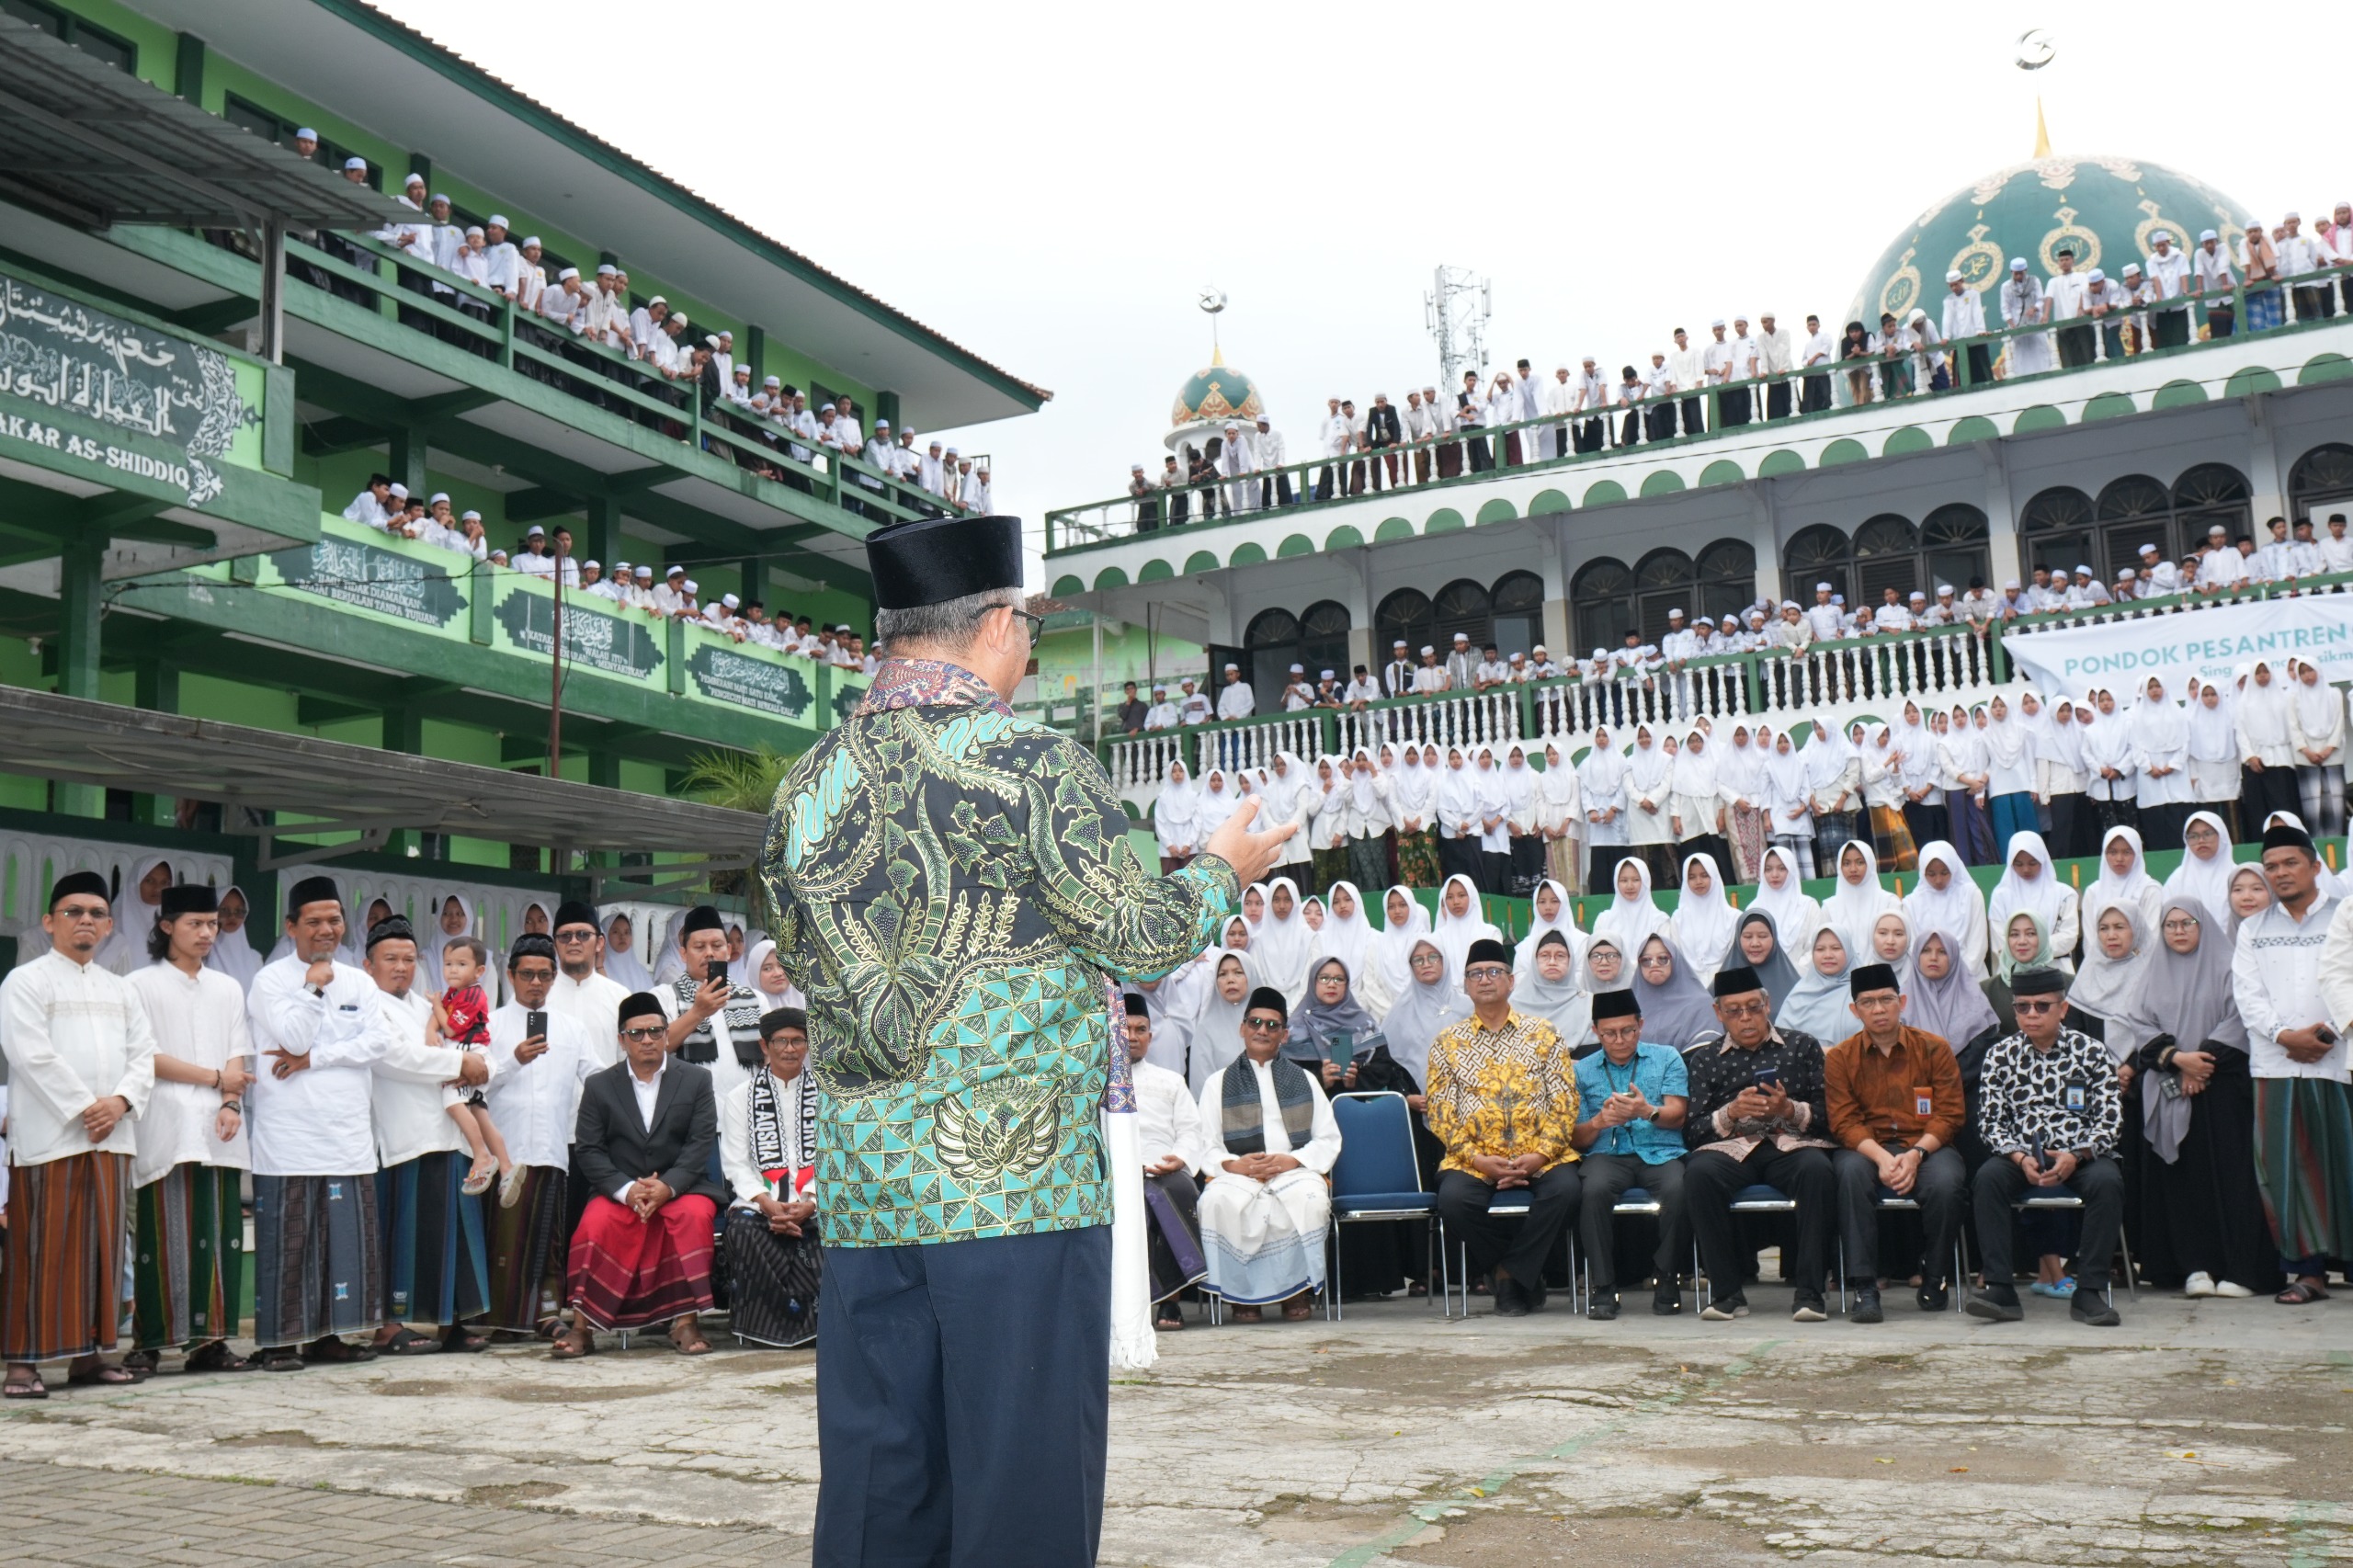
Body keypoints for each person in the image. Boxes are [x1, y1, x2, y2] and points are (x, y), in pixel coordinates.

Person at [762, 514, 1290, 1566]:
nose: (1032, 651)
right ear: (997, 623)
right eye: (1030, 630)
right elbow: (1135, 929)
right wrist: (1224, 863)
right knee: (1020, 1467)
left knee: (878, 1466)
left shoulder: (802, 786)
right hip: (1013, 1184)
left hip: (868, 1187)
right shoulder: (1031, 762)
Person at [245, 877, 488, 1373]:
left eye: (334, 920)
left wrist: (314, 1058)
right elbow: (291, 1031)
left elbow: (374, 1045)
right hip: (290, 1133)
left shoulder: (359, 984)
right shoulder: (270, 980)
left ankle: (330, 1336)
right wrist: (314, 987)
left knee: (342, 1245)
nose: (326, 929)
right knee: (291, 1241)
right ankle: (278, 1343)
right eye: (313, 921)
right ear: (291, 926)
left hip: (347, 1133)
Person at [1, 872, 157, 1398]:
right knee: (40, 1249)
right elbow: (30, 1054)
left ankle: (91, 1356)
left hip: (111, 1138)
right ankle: (23, 1364)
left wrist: (120, 1102)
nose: (85, 920)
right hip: (53, 1138)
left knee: (103, 1252)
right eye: (73, 912)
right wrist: (86, 1106)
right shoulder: (26, 981)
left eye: (95, 913)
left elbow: (143, 1056)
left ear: (110, 926)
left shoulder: (122, 989)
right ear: (49, 922)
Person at [123, 885, 254, 1375]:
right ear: (166, 927)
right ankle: (149, 1343)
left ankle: (210, 1343)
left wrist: (230, 1102)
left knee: (219, 1235)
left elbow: (236, 1050)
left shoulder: (227, 987)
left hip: (219, 1124)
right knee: (161, 1234)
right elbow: (145, 1057)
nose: (205, 933)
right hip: (166, 1122)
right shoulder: (139, 984)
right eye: (194, 924)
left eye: (212, 924)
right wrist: (217, 1079)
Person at [553, 991, 726, 1357]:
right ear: (622, 1041)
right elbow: (589, 1150)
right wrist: (628, 1190)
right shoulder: (600, 1086)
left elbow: (700, 1145)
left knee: (693, 1217)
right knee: (593, 1225)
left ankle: (685, 1324)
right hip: (620, 1189)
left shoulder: (695, 1080)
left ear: (666, 1034)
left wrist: (668, 1187)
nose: (646, 1039)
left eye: (654, 1031)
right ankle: (582, 1328)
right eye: (636, 1034)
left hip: (684, 1186)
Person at [1965, 966, 2127, 1326]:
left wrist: (2077, 1154)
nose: (2031, 1015)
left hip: (2081, 1154)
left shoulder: (2092, 1052)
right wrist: (2019, 1156)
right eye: (2022, 1007)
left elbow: (2111, 1121)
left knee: (2108, 1181)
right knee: (1988, 1178)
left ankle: (2089, 1292)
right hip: (2021, 1155)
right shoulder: (2000, 1056)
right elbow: (1990, 1123)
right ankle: (2001, 1290)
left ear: (2063, 1009)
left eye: (2041, 1006)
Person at [364, 917, 495, 1357]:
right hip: (404, 1134)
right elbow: (393, 1058)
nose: (401, 967)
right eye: (390, 959)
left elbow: (477, 1047)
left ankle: (451, 1324)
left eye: (407, 959)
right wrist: (460, 1064)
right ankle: (390, 1326)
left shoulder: (428, 1006)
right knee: (401, 1232)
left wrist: (480, 1064)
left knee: (452, 1233)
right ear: (369, 966)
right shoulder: (368, 1006)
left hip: (449, 1134)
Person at [1427, 940, 1580, 1316]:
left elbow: (1565, 1103)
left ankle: (1510, 1275)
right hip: (1475, 1159)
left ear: (1511, 981)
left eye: (1494, 971)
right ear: (1465, 985)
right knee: (1453, 1201)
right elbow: (1442, 1113)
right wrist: (1480, 1161)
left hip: (1541, 1154)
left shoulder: (1544, 1034)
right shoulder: (1447, 1043)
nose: (1485, 980)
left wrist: (1540, 1155)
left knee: (1567, 1190)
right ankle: (1515, 1272)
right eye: (1476, 974)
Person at [2133, 900, 2276, 1298]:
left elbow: (2241, 1017)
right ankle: (2195, 1267)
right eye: (2170, 924)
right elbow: (2140, 1023)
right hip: (2170, 1089)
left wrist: (2201, 1064)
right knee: (2183, 1180)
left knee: (2234, 1179)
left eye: (2187, 923)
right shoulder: (2152, 973)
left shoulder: (2229, 965)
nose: (2178, 931)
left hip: (2223, 1093)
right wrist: (2178, 1061)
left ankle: (2242, 1269)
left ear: (2204, 925)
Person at [1681, 967, 1837, 1323]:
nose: (1746, 1018)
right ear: (1718, 1014)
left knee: (1817, 1171)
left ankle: (1810, 1293)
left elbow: (1830, 1117)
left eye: (1753, 1007)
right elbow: (1693, 1132)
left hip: (1791, 1144)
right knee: (1699, 1174)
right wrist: (1732, 1112)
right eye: (1734, 1011)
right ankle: (1727, 1294)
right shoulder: (1705, 1059)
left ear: (1768, 1005)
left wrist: (1788, 1109)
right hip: (1733, 1149)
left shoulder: (1802, 1046)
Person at [1824, 962, 1967, 1320]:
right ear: (1854, 1011)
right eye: (1868, 1003)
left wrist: (1916, 1153)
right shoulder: (1840, 1058)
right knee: (1849, 1175)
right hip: (1867, 1148)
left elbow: (1950, 1114)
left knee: (1948, 1183)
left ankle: (1935, 1276)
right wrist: (1883, 1159)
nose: (1878, 1009)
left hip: (1926, 1145)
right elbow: (1843, 1121)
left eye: (1886, 1000)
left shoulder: (1935, 1049)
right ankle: (1864, 1287)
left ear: (1901, 1001)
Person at [1196, 987, 1341, 1321]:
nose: (1263, 1030)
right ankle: (1242, 1296)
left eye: (1272, 1025)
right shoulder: (1217, 1083)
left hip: (1293, 1170)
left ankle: (1297, 1292)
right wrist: (1234, 1164)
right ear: (1242, 1028)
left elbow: (1328, 1138)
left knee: (1310, 1199)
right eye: (1256, 1022)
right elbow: (1205, 1142)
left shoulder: (1305, 1079)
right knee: (1215, 1202)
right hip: (1236, 1173)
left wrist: (1293, 1160)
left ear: (1284, 1035)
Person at [481, 936, 598, 1338]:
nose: (536, 983)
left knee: (548, 1239)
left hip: (552, 1149)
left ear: (554, 978)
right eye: (527, 975)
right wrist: (514, 1060)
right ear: (510, 976)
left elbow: (597, 1081)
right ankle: (500, 1319)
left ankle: (548, 1315)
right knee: (503, 1241)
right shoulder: (490, 1025)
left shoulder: (571, 1027)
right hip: (504, 1154)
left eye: (544, 975)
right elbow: (474, 1089)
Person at [2256, 824, 2353, 1305]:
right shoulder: (2253, 927)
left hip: (2340, 1059)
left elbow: (2345, 977)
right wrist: (2284, 1036)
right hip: (2275, 1065)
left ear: (2316, 866)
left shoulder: (2344, 916)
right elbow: (2247, 994)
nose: (2280, 873)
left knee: (2346, 1162)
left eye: (2290, 862)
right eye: (2271, 866)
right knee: (2285, 1169)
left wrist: (2327, 1033)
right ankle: (2306, 1272)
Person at [1572, 987, 1690, 1318]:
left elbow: (1678, 1115)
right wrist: (1598, 1121)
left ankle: (1666, 1275)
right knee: (1591, 1190)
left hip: (1661, 1151)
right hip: (1606, 1156)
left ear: (1641, 1024)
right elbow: (1577, 1140)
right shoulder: (1582, 1071)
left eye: (1628, 1031)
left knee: (1679, 1188)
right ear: (1595, 1032)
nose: (1620, 1039)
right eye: (1609, 1033)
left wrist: (1645, 1111)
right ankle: (1605, 1286)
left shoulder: (1667, 1057)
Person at [717, 1007, 822, 1348]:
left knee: (832, 1229)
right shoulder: (739, 1097)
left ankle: (820, 1328)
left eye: (798, 1041)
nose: (790, 1049)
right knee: (745, 1232)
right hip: (759, 1202)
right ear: (765, 1045)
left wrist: (810, 1202)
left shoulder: (827, 1095)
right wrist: (767, 1204)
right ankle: (763, 1329)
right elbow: (735, 1164)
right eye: (781, 1041)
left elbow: (835, 1159)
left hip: (817, 1203)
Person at [1120, 997, 1210, 1329]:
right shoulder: (1096, 1081)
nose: (1133, 1036)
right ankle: (1132, 1308)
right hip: (1117, 1174)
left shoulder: (1171, 1080)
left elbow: (1191, 1130)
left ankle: (1169, 1303)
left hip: (1165, 1168)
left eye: (1141, 1029)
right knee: (1135, 1201)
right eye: (1125, 1028)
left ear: (1150, 1037)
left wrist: (1180, 1159)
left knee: (1174, 1192)